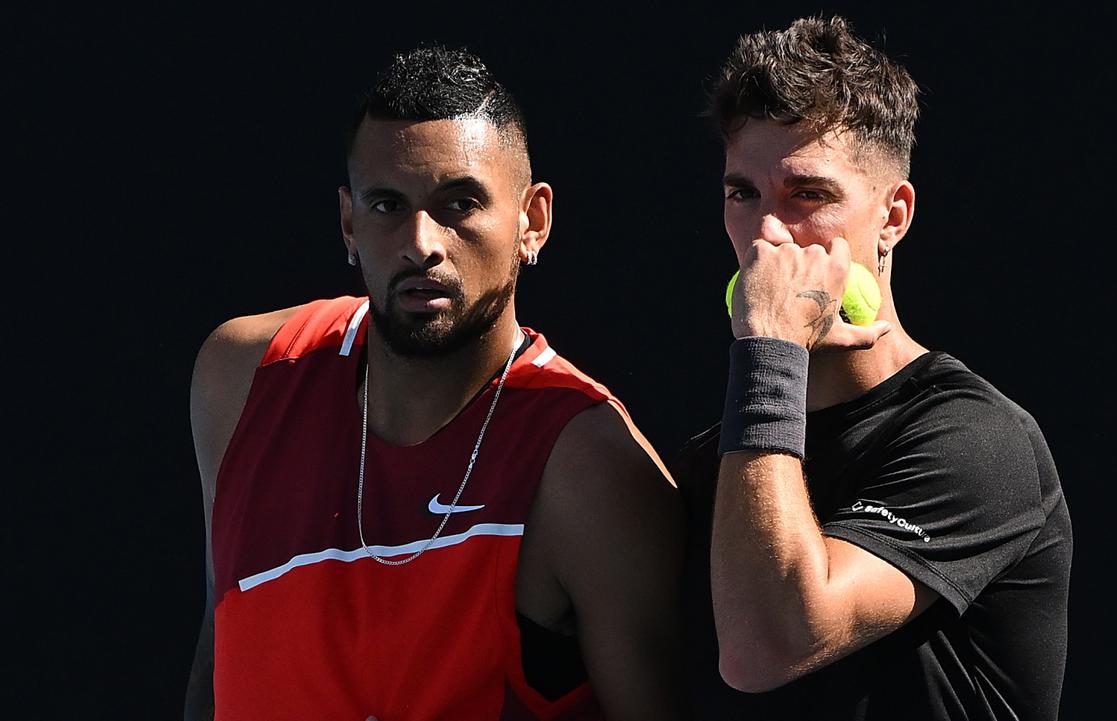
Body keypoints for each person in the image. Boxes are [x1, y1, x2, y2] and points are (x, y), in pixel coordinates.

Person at [185, 45, 685, 721]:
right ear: (348, 222)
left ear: (532, 220)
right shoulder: (242, 374)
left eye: (458, 203)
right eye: (388, 204)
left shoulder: (590, 466)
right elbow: (217, 664)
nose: (422, 241)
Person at [674, 16, 1072, 721]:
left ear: (893, 216)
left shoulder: (980, 443)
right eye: (744, 194)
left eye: (808, 195)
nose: (768, 233)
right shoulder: (717, 464)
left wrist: (770, 350)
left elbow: (767, 644)